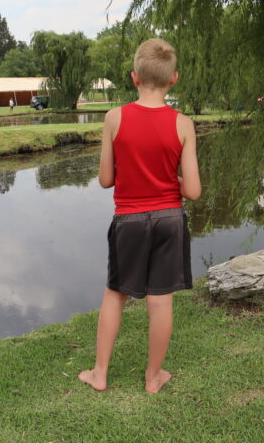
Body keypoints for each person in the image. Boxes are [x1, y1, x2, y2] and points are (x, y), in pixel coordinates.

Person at [78, 38, 201, 394]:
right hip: (169, 219)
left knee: (116, 293)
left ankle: (100, 374)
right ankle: (153, 377)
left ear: (134, 77)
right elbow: (192, 191)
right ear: (173, 79)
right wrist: (170, 179)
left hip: (129, 220)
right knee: (161, 299)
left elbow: (106, 180)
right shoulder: (183, 124)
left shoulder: (114, 117)